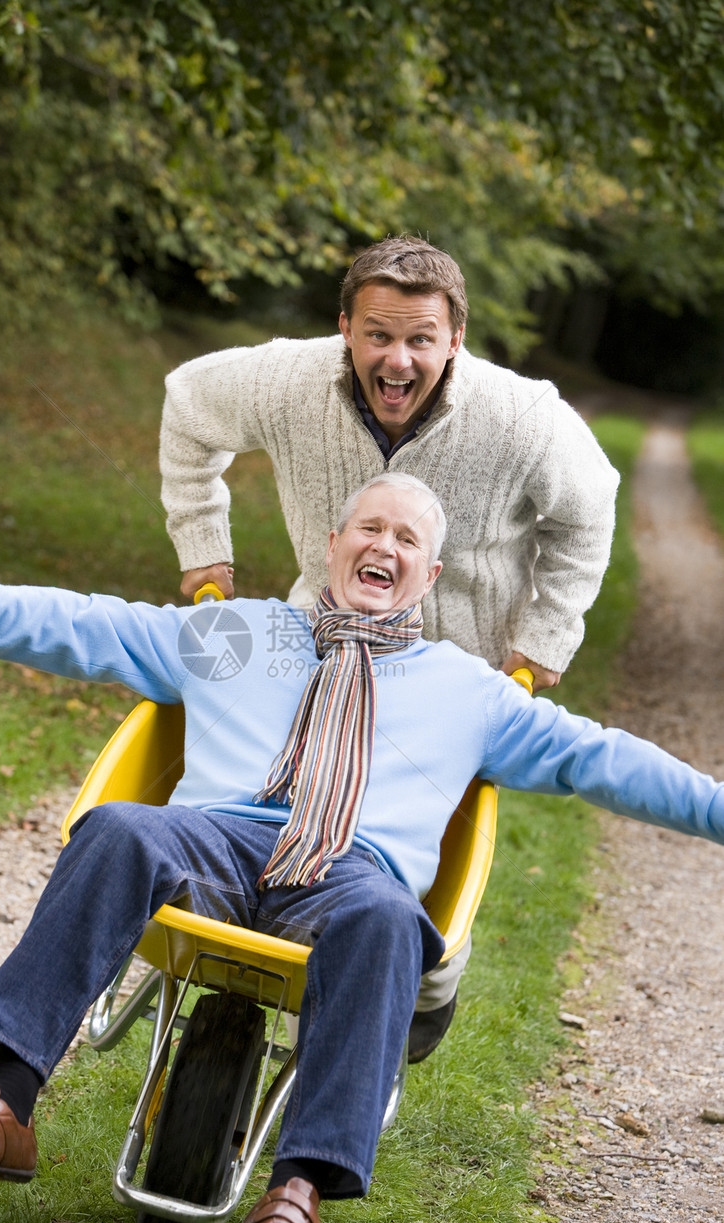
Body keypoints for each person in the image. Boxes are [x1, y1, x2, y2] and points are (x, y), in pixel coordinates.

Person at [0, 475, 721, 1223]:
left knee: (388, 918)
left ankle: (299, 1192)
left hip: (353, 873)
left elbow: (601, 758)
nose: (383, 546)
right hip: (220, 837)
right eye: (369, 528)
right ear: (333, 544)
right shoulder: (235, 633)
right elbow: (83, 623)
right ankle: (2, 1107)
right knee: (122, 826)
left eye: (406, 539)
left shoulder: (470, 693)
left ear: (428, 574)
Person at [159, 235, 621, 1060]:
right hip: (325, 645)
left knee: (422, 871)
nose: (397, 358)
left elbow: (588, 509)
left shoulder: (520, 420)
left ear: (455, 340)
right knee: (284, 811)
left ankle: (420, 987)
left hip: (457, 679)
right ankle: (249, 943)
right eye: (377, 334)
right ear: (345, 328)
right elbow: (190, 403)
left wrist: (544, 639)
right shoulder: (288, 383)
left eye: (419, 338)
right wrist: (204, 549)